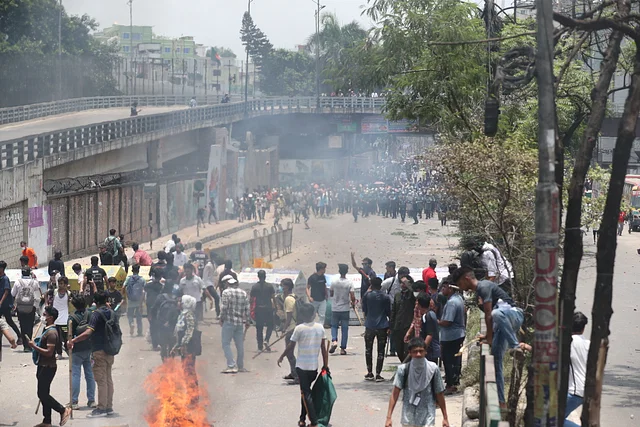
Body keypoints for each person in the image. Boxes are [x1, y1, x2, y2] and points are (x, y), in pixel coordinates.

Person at [451, 267, 526, 407]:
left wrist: (489, 338)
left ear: (466, 278)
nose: (461, 288)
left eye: (460, 284)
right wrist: (487, 336)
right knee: (495, 358)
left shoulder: (483, 286)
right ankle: (501, 401)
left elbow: (488, 314)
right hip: (504, 323)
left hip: (514, 315)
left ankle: (515, 347)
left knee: (496, 314)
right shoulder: (481, 289)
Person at [277, 303, 329, 427]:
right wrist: (325, 364)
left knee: (306, 394)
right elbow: (323, 348)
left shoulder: (299, 328)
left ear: (301, 315)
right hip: (314, 367)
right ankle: (302, 419)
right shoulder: (320, 328)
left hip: (301, 367)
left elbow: (291, 346)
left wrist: (282, 355)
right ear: (313, 314)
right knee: (305, 393)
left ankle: (314, 421)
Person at [68, 291, 119, 418]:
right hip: (110, 350)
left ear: (95, 302)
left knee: (101, 380)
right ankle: (109, 406)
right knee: (108, 379)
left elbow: (88, 332)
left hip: (98, 350)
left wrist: (73, 340)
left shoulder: (96, 314)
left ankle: (101, 408)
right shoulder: (112, 312)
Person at [385, 337, 449, 427]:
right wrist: (388, 417)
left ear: (425, 352)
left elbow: (439, 393)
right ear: (410, 353)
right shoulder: (403, 370)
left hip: (427, 417)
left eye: (421, 351)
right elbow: (395, 393)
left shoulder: (433, 369)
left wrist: (445, 418)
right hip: (409, 417)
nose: (418, 354)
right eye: (415, 351)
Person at [28, 306, 72, 427]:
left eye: (45, 314)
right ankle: (47, 421)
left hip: (48, 367)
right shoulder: (46, 329)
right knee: (43, 393)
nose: (43, 316)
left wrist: (34, 346)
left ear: (51, 318)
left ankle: (62, 410)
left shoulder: (52, 333)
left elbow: (49, 352)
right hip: (42, 365)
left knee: (42, 394)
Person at [438, 282, 466, 394]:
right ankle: (454, 382)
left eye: (444, 287)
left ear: (450, 289)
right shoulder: (459, 299)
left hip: (451, 336)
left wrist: (438, 322)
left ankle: (450, 385)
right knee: (455, 360)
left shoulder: (452, 303)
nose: (442, 290)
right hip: (458, 334)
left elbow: (448, 321)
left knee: (448, 361)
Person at [69, 296, 96, 410]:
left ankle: (74, 401)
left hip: (76, 350)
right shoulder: (90, 314)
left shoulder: (72, 318)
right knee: (89, 375)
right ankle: (91, 400)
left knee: (75, 375)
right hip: (89, 348)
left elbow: (69, 334)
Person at [220, 275, 250, 374]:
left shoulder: (226, 292)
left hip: (229, 321)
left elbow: (224, 307)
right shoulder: (243, 293)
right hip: (239, 323)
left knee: (226, 343)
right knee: (240, 345)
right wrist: (248, 321)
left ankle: (231, 365)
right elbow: (247, 309)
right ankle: (240, 366)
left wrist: (221, 318)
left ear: (227, 284)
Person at [362, 277, 390, 381]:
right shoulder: (385, 297)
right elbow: (389, 312)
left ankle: (370, 372)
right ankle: (378, 373)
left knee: (368, 349)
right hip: (382, 326)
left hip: (370, 325)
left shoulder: (367, 296)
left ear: (371, 285)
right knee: (381, 351)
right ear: (381, 285)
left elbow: (364, 309)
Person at [565, 312, 590, 427]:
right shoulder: (589, 344)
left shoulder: (568, 342)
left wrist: (527, 347)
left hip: (574, 391)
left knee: (553, 420)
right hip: (586, 390)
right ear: (583, 328)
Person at [172, 295, 199, 394]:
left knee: (190, 371)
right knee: (186, 370)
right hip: (184, 346)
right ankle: (190, 395)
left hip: (189, 347)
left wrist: (184, 344)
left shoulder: (189, 314)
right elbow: (179, 332)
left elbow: (190, 330)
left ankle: (193, 397)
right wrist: (176, 346)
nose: (179, 303)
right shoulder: (182, 314)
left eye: (181, 302)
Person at [12, 267, 42, 352]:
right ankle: (29, 345)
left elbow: (13, 293)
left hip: (20, 307)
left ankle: (25, 346)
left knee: (22, 325)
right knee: (30, 325)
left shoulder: (18, 282)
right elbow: (37, 294)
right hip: (31, 307)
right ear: (30, 273)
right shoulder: (34, 282)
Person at [329, 263, 356, 355]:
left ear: (339, 271)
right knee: (345, 329)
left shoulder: (334, 282)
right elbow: (352, 296)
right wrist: (353, 303)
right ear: (347, 271)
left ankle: (334, 341)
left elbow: (331, 293)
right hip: (345, 308)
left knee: (334, 326)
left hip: (335, 308)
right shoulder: (349, 282)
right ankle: (343, 348)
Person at [390, 274, 417, 363]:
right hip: (398, 327)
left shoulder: (412, 295)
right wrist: (391, 326)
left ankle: (407, 369)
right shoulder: (398, 295)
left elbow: (414, 293)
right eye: (401, 283)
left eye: (404, 283)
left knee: (407, 350)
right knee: (399, 350)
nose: (402, 285)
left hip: (408, 327)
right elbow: (393, 311)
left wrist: (408, 284)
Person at [279, 278, 299, 383]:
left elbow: (289, 316)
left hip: (291, 328)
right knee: (289, 352)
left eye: (282, 285)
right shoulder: (294, 296)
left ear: (286, 287)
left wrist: (284, 329)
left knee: (289, 352)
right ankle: (293, 372)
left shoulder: (288, 299)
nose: (281, 287)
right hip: (294, 326)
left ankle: (296, 375)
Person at [250, 270, 275, 352]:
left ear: (258, 276)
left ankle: (260, 347)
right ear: (265, 276)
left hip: (259, 309)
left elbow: (251, 300)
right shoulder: (269, 286)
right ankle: (267, 339)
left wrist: (251, 309)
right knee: (270, 325)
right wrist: (276, 307)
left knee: (259, 328)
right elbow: (273, 297)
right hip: (268, 308)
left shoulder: (254, 287)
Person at [0, 261, 20, 345]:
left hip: (5, 304)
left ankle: (19, 336)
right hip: (1, 304)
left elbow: (6, 291)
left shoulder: (5, 278)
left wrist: (1, 302)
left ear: (2, 268)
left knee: (9, 321)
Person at [144, 269, 164, 350]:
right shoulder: (162, 287)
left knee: (153, 326)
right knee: (159, 326)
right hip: (159, 308)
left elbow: (144, 295)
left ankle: (154, 344)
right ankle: (159, 343)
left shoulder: (147, 285)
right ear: (160, 277)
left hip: (150, 308)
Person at [123, 265, 145, 336]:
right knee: (139, 317)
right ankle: (140, 332)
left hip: (130, 300)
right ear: (138, 270)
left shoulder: (128, 279)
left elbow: (123, 287)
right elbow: (144, 291)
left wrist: (124, 297)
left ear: (132, 270)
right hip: (138, 300)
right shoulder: (142, 279)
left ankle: (131, 324)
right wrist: (143, 301)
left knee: (130, 315)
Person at [52, 277, 70, 358]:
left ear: (66, 285)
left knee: (66, 337)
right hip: (55, 320)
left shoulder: (68, 293)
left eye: (62, 284)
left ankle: (69, 351)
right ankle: (59, 353)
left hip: (64, 319)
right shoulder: (54, 292)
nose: (60, 285)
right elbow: (45, 295)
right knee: (57, 338)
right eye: (59, 283)